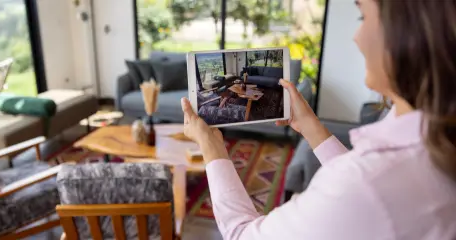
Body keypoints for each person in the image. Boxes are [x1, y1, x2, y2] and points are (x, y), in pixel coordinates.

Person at [181, 0, 456, 239]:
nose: (356, 38)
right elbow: (366, 185)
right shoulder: (434, 146)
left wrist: (211, 146)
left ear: (409, 31)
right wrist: (310, 127)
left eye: (364, 16)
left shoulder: (366, 181)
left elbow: (242, 234)